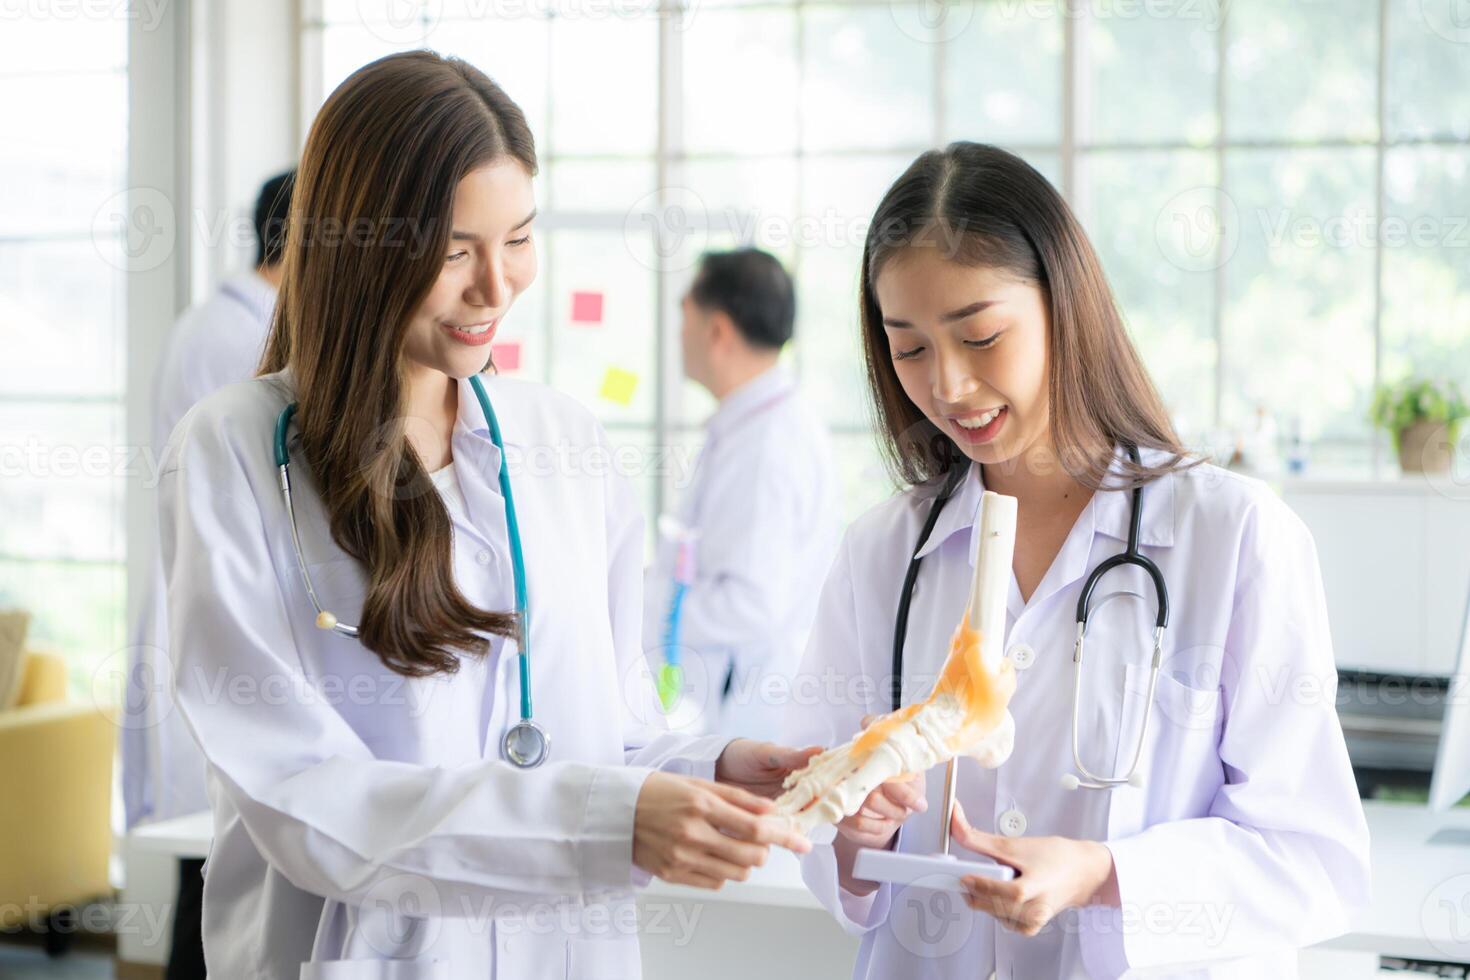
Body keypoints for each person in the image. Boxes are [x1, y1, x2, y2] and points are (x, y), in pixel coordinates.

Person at [158, 51, 811, 978]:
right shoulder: (233, 450)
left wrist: (715, 770)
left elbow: (610, 730)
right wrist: (602, 821)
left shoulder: (565, 444)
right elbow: (299, 795)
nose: (497, 287)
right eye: (456, 249)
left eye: (520, 238)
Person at [784, 142, 1370, 978]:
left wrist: (1104, 875)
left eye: (981, 336)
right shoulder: (883, 553)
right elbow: (819, 824)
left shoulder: (1234, 538)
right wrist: (852, 832)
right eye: (909, 349)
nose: (948, 386)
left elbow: (1314, 859)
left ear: (1067, 308)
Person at [122, 169, 294, 980]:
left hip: (222, 604)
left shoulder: (232, 321)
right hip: (222, 608)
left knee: (218, 850)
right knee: (216, 855)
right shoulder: (241, 339)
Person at [646, 248, 839, 739]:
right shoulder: (756, 423)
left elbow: (753, 603)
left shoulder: (767, 445)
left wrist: (640, 601)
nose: (678, 335)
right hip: (731, 701)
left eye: (685, 316)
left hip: (744, 712)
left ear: (718, 331)